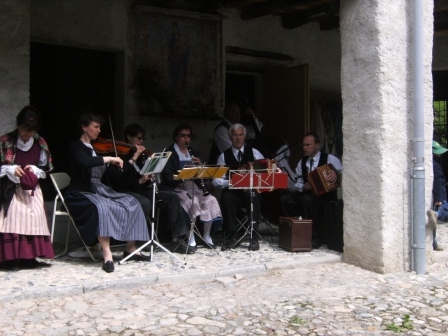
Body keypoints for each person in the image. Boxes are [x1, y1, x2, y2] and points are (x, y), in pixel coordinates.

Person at [64, 112, 151, 273]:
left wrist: (130, 158)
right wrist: (109, 159)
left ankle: (130, 247)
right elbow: (84, 162)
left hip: (100, 188)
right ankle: (107, 254)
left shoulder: (97, 149)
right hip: (81, 191)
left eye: (99, 127)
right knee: (103, 207)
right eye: (95, 127)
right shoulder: (76, 146)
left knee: (132, 202)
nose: (98, 131)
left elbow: (113, 175)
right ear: (84, 127)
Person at [104, 123, 192, 254]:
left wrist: (148, 176)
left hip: (140, 190)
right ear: (129, 137)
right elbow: (118, 179)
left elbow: (142, 179)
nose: (141, 142)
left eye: (143, 139)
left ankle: (178, 238)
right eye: (138, 138)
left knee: (172, 197)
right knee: (144, 203)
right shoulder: (119, 154)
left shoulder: (142, 156)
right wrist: (138, 178)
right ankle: (140, 239)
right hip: (125, 191)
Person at [0, 106, 54, 271]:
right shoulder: (6, 141)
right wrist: (9, 169)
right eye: (24, 130)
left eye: (30, 131)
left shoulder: (40, 143)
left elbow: (46, 168)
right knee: (13, 216)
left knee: (34, 215)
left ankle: (29, 257)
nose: (26, 134)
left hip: (31, 189)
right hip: (11, 189)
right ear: (18, 125)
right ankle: (10, 258)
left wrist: (35, 170)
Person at [160, 124, 222, 251]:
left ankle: (206, 235)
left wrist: (200, 168)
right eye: (182, 136)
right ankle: (190, 236)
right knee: (190, 203)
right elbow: (166, 176)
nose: (186, 138)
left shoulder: (193, 152)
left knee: (211, 200)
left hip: (194, 186)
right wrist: (182, 173)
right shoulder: (169, 153)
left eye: (188, 136)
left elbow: (201, 176)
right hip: (177, 187)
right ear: (176, 137)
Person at [279, 132, 342, 249]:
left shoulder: (329, 158)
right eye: (303, 145)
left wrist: (335, 173)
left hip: (326, 196)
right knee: (285, 199)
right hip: (307, 194)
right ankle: (296, 232)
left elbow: (342, 174)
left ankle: (315, 236)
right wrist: (303, 187)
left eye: (308, 145)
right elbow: (297, 183)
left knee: (307, 200)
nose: (305, 148)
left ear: (317, 145)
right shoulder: (302, 162)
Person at [213, 123, 265, 251]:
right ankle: (231, 236)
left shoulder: (255, 153)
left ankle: (254, 235)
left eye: (241, 135)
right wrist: (230, 182)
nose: (238, 138)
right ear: (230, 137)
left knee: (253, 195)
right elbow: (216, 181)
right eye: (235, 135)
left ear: (245, 137)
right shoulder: (223, 157)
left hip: (249, 191)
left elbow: (264, 174)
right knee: (226, 198)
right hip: (233, 192)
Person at [426, 140, 446, 251]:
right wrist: (439, 198)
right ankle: (437, 214)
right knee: (445, 211)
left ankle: (434, 243)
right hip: (439, 194)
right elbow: (438, 180)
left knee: (433, 224)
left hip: (437, 193)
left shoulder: (433, 162)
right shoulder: (435, 164)